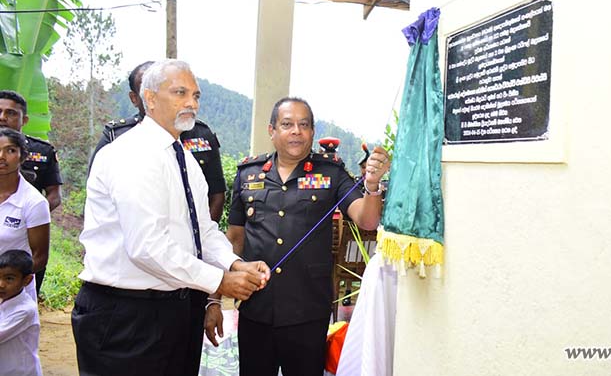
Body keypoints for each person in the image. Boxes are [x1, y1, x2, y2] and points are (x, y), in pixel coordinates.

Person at [71, 59, 270, 376]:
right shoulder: (131, 154)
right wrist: (219, 281)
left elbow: (202, 231)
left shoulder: (184, 158)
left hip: (174, 310)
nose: (191, 103)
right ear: (149, 98)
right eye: (180, 93)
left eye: (196, 95)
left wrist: (234, 264)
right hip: (125, 315)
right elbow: (147, 247)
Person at [211, 97, 390, 376]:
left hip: (307, 311)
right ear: (272, 131)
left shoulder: (331, 173)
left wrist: (373, 185)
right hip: (256, 308)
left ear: (312, 132)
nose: (296, 131)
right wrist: (216, 296)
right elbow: (234, 240)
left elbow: (367, 219)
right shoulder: (249, 174)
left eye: (303, 125)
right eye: (287, 124)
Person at [89, 61, 227, 221]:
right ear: (136, 97)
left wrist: (200, 242)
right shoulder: (117, 140)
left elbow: (216, 195)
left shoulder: (199, 135)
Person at [0, 91, 61, 295]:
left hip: (24, 236)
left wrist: (31, 219)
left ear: (24, 119)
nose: (2, 117)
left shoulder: (41, 151)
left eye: (10, 113)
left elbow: (54, 194)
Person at [0, 127, 50, 301]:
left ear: (22, 157)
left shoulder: (34, 203)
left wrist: (9, 282)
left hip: (13, 296)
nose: (1, 156)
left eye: (10, 150)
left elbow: (40, 256)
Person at [0, 249, 42, 376]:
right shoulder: (4, 300)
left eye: (9, 279)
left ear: (27, 280)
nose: (1, 284)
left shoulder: (25, 310)